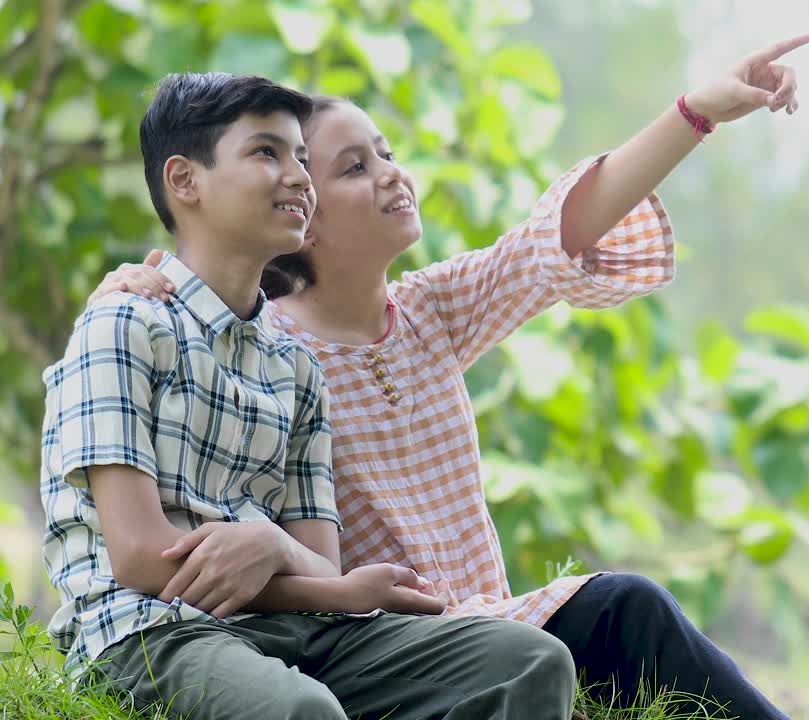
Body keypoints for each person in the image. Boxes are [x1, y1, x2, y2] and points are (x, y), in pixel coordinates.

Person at [92, 35, 809, 718]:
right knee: (627, 607)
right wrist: (138, 281)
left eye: (386, 153)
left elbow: (556, 237)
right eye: (355, 168)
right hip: (386, 641)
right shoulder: (266, 352)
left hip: (493, 628)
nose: (391, 174)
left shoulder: (428, 310)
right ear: (300, 213)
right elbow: (189, 311)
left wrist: (698, 113)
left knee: (625, 615)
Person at [47, 72, 576, 720]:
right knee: (304, 711)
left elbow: (321, 562)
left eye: (301, 157)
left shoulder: (293, 365)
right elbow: (138, 557)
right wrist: (304, 572)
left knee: (528, 659)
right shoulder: (124, 323)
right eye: (266, 153)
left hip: (297, 630)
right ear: (184, 181)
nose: (299, 177)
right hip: (151, 630)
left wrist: (274, 550)